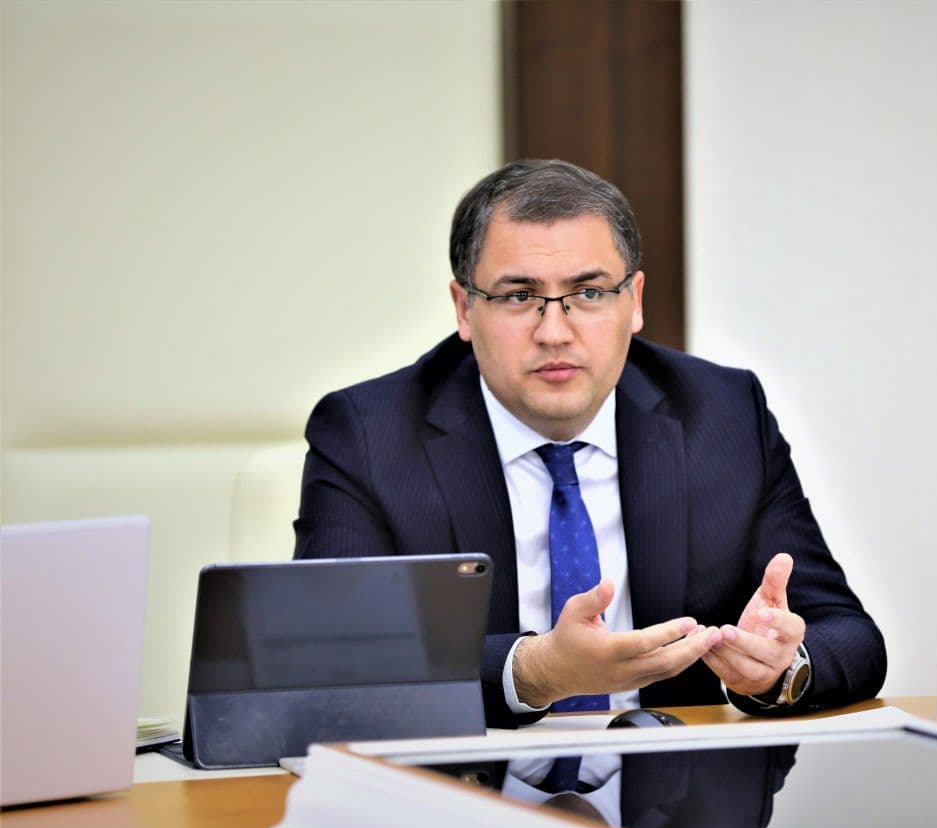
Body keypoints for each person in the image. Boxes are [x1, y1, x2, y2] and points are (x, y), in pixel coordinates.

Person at [294, 159, 886, 734]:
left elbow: (849, 636)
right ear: (464, 308)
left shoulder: (722, 415)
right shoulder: (368, 434)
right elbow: (324, 663)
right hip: (458, 790)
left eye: (589, 292)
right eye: (519, 296)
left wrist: (781, 668)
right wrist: (531, 672)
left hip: (671, 787)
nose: (555, 331)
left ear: (635, 301)